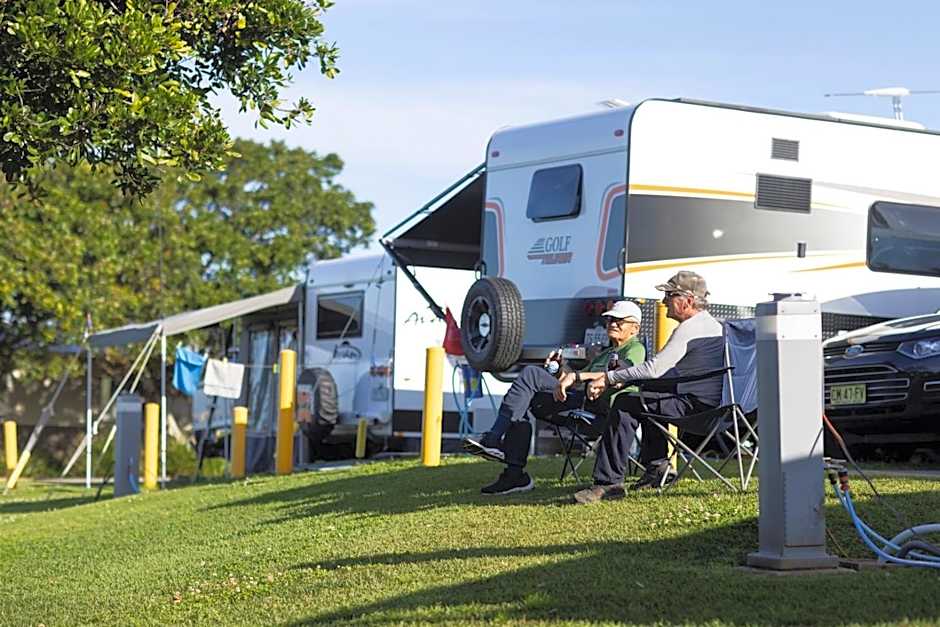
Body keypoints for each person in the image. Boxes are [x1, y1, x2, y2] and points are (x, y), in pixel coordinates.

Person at [571, 271, 725, 503]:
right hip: (717, 409)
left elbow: (654, 368)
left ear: (689, 301)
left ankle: (609, 483)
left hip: (696, 410)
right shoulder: (714, 325)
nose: (664, 302)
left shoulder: (690, 329)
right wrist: (628, 378)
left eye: (669, 295)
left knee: (626, 402)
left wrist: (610, 378)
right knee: (648, 398)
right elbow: (666, 374)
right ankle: (657, 469)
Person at [463, 300, 646, 495]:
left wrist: (576, 376)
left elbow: (621, 374)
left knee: (531, 375)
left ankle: (496, 443)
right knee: (524, 397)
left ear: (635, 328)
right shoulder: (606, 353)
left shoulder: (635, 348)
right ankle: (514, 473)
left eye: (619, 321)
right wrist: (559, 369)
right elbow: (572, 380)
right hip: (579, 400)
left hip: (601, 410)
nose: (612, 324)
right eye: (609, 319)